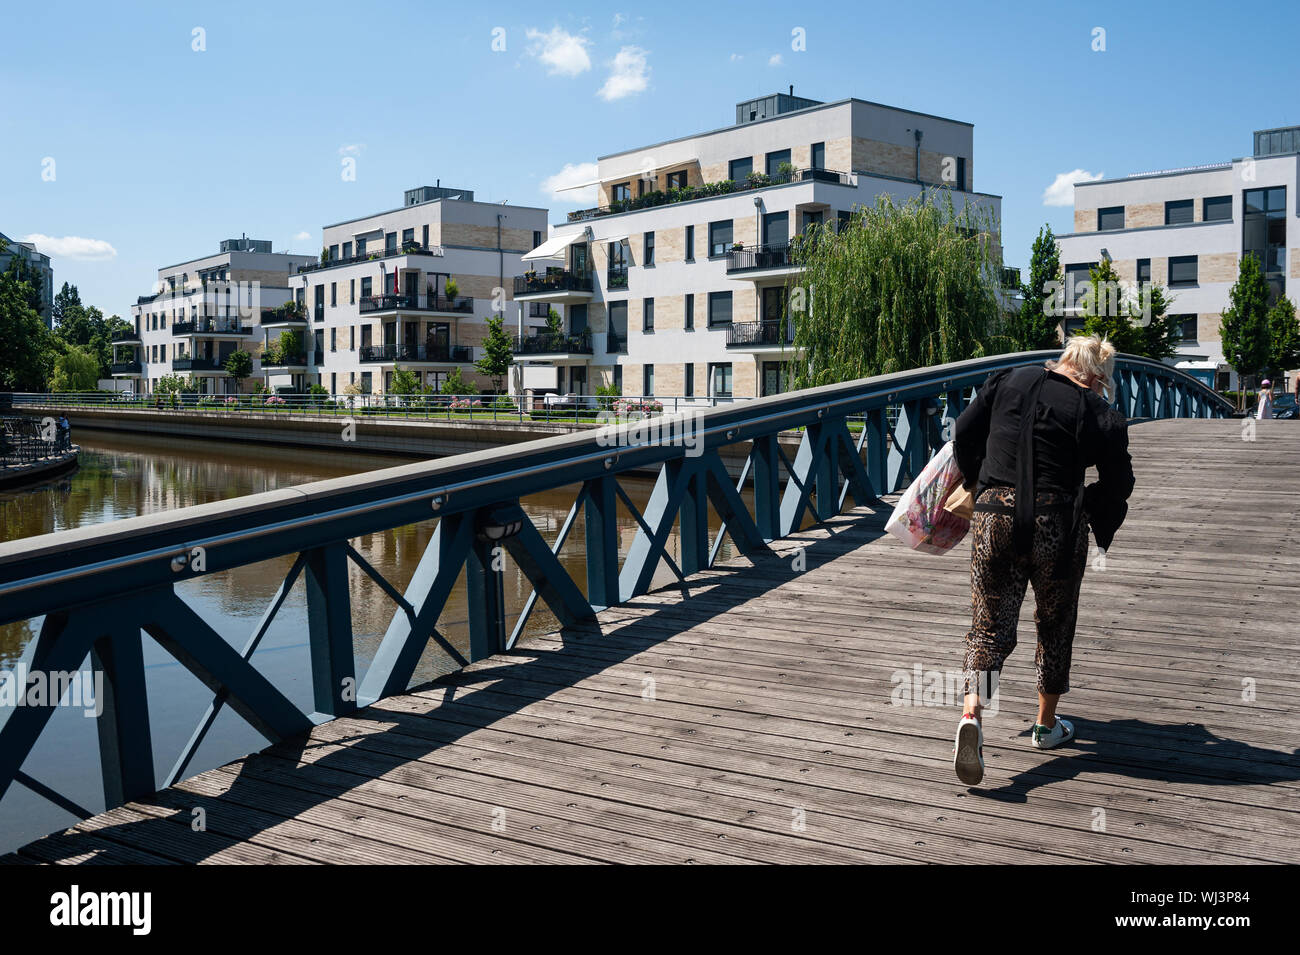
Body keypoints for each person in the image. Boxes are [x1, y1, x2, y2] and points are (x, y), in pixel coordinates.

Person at [948, 335, 1135, 786]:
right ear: (1094, 376)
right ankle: (1046, 727)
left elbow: (964, 432)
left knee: (989, 626)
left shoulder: (1009, 380)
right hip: (1057, 522)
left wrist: (980, 479)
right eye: (1101, 383)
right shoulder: (1094, 410)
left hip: (995, 516)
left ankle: (973, 713)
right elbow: (1119, 479)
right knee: (1054, 623)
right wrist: (1092, 504)